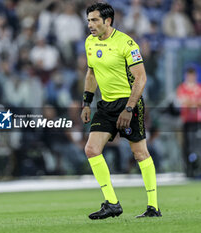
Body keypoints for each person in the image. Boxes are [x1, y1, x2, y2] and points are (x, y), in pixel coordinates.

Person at [81, 3, 161, 219]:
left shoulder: (126, 43)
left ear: (108, 21)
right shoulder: (89, 42)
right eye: (89, 20)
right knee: (91, 149)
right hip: (105, 105)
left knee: (140, 153)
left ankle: (153, 206)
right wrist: (87, 102)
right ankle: (112, 203)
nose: (90, 24)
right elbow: (91, 74)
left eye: (95, 20)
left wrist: (129, 108)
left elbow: (141, 78)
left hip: (128, 103)